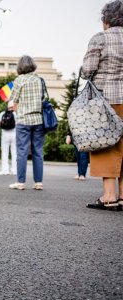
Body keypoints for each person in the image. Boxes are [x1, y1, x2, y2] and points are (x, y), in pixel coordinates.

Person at [83, 0, 123, 211]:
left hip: (106, 100)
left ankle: (109, 196)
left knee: (106, 144)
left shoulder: (101, 38)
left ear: (106, 19)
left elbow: (88, 70)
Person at [7, 55, 46, 190]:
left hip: (23, 120)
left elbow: (13, 99)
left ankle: (21, 182)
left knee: (22, 151)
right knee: (38, 151)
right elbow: (45, 98)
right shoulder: (40, 80)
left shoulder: (19, 80)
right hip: (39, 120)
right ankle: (38, 182)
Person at [0, 101, 17, 175]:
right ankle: (14, 170)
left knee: (4, 153)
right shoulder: (16, 114)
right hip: (14, 134)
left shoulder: (3, 113)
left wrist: (3, 124)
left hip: (5, 134)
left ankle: (5, 170)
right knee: (14, 153)